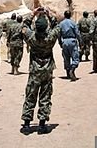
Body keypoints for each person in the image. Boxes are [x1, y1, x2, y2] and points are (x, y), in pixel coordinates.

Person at [20, 7, 60, 135]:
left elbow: (24, 25)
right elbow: (57, 26)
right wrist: (49, 15)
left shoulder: (31, 37)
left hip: (34, 71)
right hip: (47, 72)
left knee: (30, 95)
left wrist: (33, 14)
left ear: (36, 27)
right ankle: (42, 125)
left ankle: (26, 124)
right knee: (45, 97)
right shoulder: (51, 37)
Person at [58, 10, 82, 81]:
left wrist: (60, 42)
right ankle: (72, 70)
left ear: (64, 15)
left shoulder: (61, 24)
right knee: (75, 57)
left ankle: (68, 73)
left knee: (66, 58)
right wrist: (80, 41)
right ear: (70, 15)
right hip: (72, 41)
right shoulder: (73, 23)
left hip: (65, 41)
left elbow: (59, 34)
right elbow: (77, 33)